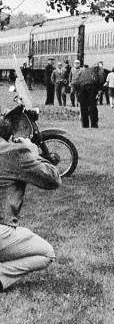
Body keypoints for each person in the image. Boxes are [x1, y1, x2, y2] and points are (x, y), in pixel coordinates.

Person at [0, 115, 61, 291]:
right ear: (10, 137)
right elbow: (53, 179)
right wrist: (32, 153)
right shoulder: (14, 152)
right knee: (46, 253)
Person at [73, 61, 101, 128]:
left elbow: (76, 82)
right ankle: (94, 124)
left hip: (82, 88)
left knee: (83, 108)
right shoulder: (96, 72)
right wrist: (98, 92)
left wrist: (78, 94)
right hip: (91, 87)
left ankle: (85, 125)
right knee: (92, 106)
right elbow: (99, 82)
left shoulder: (83, 72)